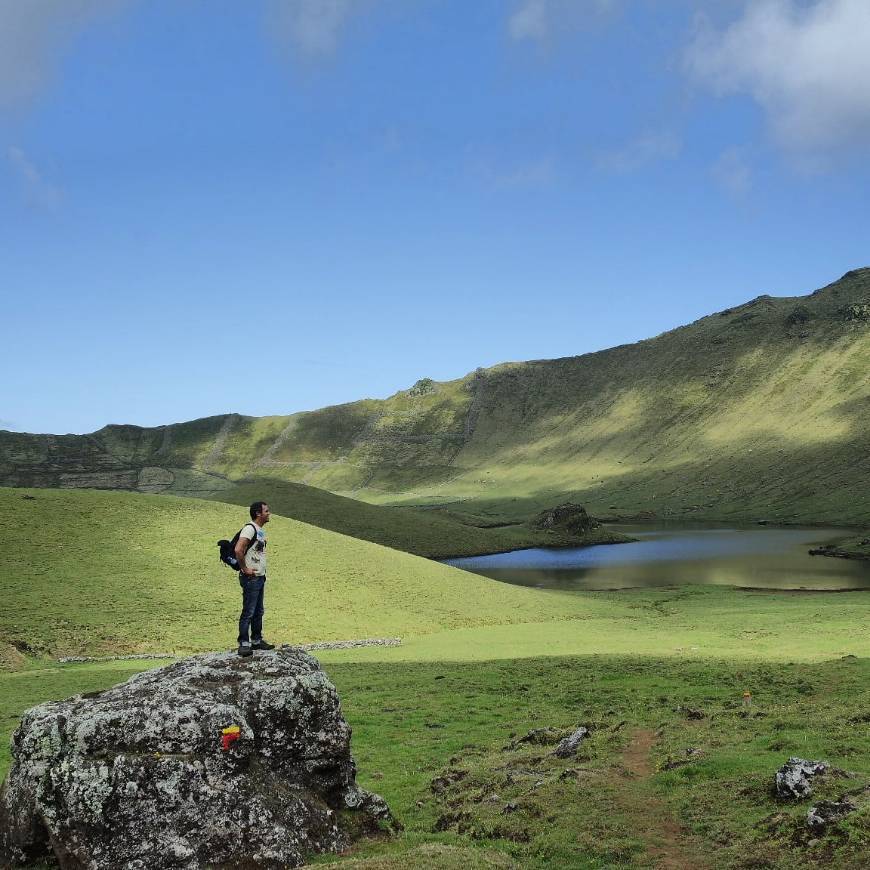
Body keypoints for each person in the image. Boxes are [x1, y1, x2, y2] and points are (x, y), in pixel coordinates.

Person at [235, 501, 276, 657]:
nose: (269, 513)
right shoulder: (249, 529)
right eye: (266, 511)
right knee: (249, 611)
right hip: (251, 578)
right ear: (258, 513)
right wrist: (245, 569)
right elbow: (238, 549)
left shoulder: (259, 531)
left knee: (258, 611)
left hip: (259, 577)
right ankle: (244, 643)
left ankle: (257, 640)